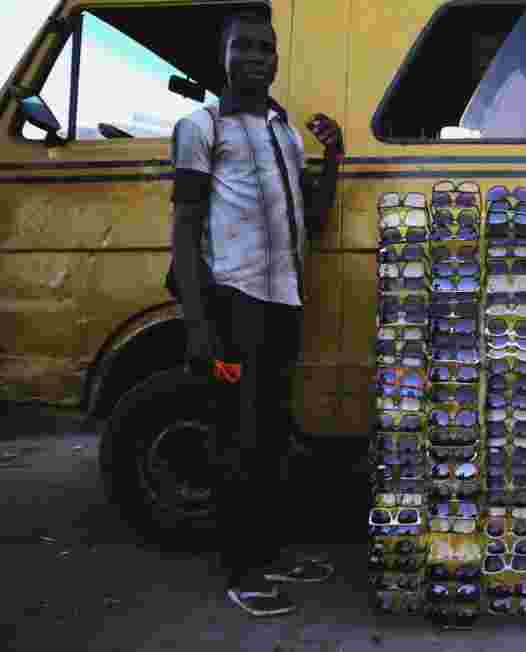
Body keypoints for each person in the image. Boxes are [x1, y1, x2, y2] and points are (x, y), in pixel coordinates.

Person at [169, 9, 342, 617]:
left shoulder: (284, 131)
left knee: (271, 437)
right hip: (235, 303)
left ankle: (270, 554)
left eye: (266, 49)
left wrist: (334, 157)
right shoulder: (199, 126)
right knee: (238, 439)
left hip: (284, 303)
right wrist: (197, 325)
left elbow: (314, 221)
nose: (256, 58)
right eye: (244, 47)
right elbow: (185, 231)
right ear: (223, 55)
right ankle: (241, 572)